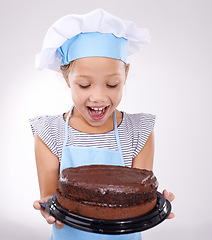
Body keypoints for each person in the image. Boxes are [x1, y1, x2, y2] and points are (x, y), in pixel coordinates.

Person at [29, 8, 175, 240]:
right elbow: (50, 198)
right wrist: (47, 210)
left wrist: (154, 206)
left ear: (126, 75)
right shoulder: (49, 133)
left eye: (112, 85)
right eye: (85, 85)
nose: (98, 97)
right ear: (67, 78)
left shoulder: (139, 131)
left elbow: (137, 193)